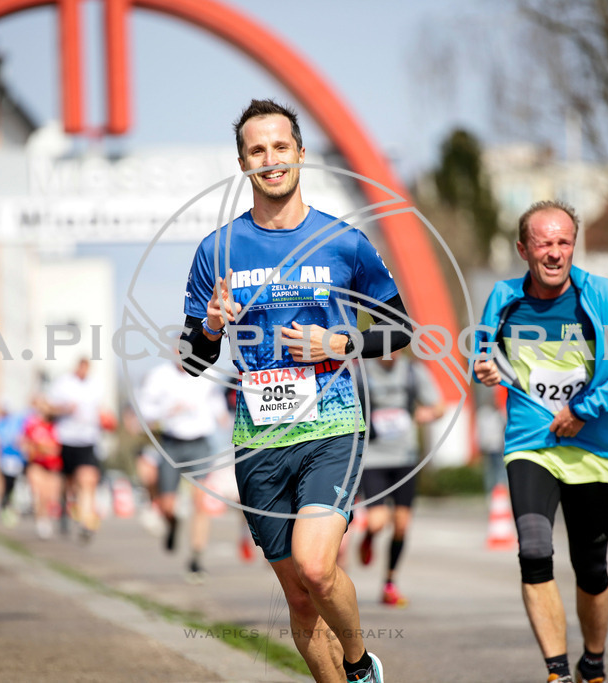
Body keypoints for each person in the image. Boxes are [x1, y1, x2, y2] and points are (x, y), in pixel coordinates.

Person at [179, 98, 411, 683]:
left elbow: (401, 329)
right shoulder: (216, 251)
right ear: (243, 164)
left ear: (301, 154)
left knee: (316, 567)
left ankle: (360, 665)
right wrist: (211, 326)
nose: (271, 159)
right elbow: (190, 359)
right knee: (300, 600)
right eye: (257, 150)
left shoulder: (343, 242)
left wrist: (340, 343)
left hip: (332, 427)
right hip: (259, 438)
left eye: (280, 147)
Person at [472, 199, 608, 683]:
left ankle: (592, 662)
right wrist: (485, 368)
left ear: (574, 246)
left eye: (564, 242)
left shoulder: (601, 295)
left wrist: (583, 410)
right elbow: (481, 356)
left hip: (590, 447)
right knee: (534, 553)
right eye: (543, 243)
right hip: (529, 445)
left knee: (591, 568)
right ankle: (557, 673)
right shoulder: (503, 297)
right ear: (523, 249)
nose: (554, 253)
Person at [355, 348, 445, 608]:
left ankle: (389, 583)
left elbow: (438, 406)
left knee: (402, 525)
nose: (391, 351)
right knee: (377, 523)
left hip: (405, 457)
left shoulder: (413, 372)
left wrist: (429, 413)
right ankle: (369, 538)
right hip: (373, 458)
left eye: (396, 344)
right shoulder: (361, 373)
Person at [136, 349, 230, 581]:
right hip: (171, 443)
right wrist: (166, 411)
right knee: (167, 505)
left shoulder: (207, 374)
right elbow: (145, 408)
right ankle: (173, 523)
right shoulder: (160, 376)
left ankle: (196, 559)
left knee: (201, 501)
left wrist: (223, 417)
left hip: (200, 443)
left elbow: (217, 403)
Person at [46, 358, 103, 541]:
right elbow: (47, 407)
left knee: (87, 480)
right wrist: (64, 409)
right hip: (66, 440)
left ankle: (86, 523)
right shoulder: (63, 384)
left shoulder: (95, 385)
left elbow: (100, 411)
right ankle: (65, 506)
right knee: (68, 482)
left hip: (87, 440)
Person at [21, 397, 63, 539]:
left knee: (49, 496)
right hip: (37, 464)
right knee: (38, 493)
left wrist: (46, 448)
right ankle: (41, 521)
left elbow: (57, 448)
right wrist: (38, 449)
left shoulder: (57, 426)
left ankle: (46, 518)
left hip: (53, 466)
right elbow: (26, 444)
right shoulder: (32, 425)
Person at [0, 401, 28, 527]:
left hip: (18, 459)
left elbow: (22, 439)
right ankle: (5, 506)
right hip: (5, 459)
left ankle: (10, 506)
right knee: (7, 484)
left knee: (14, 484)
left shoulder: (18, 422)